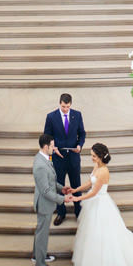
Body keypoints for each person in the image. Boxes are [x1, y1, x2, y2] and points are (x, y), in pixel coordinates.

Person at [32, 133, 72, 266]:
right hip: (44, 204)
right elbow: (46, 191)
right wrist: (63, 199)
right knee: (43, 233)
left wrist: (62, 188)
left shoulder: (44, 158)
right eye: (52, 146)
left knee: (40, 230)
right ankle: (40, 265)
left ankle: (37, 255)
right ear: (45, 146)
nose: (54, 148)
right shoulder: (40, 165)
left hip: (45, 202)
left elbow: (50, 182)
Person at [44, 93, 86, 226]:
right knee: (59, 186)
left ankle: (78, 211)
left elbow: (82, 133)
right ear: (59, 103)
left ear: (71, 104)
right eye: (63, 106)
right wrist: (53, 148)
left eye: (67, 107)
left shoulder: (77, 115)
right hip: (58, 157)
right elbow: (46, 136)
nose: (65, 109)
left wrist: (80, 145)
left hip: (73, 156)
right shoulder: (51, 117)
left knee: (76, 184)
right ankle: (61, 213)